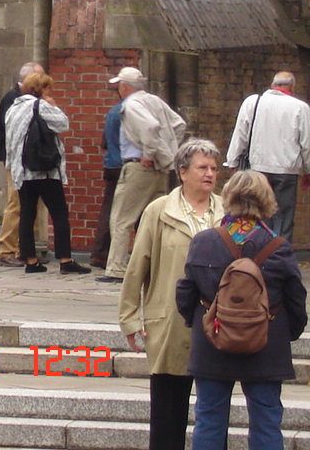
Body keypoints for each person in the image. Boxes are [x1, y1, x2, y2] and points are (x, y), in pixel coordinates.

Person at [177, 169, 306, 450]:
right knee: (266, 421)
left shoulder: (204, 242)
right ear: (267, 201)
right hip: (265, 347)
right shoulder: (278, 247)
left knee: (209, 420)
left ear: (229, 198)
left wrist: (199, 323)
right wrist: (284, 333)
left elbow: (185, 293)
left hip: (213, 343)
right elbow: (296, 299)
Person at [118, 139, 223, 450]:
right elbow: (137, 267)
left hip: (216, 323)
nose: (210, 174)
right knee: (167, 412)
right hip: (170, 320)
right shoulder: (159, 211)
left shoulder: (226, 210)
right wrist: (129, 318)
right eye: (202, 168)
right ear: (182, 172)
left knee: (213, 408)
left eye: (214, 169)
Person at [101, 66, 188, 283]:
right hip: (160, 168)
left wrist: (149, 153)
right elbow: (179, 124)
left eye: (119, 86)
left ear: (125, 86)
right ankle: (159, 265)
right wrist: (168, 151)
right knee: (156, 219)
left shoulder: (131, 105)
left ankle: (117, 268)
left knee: (121, 218)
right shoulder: (153, 101)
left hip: (138, 166)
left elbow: (150, 127)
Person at [3, 72, 90, 275]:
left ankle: (30, 261)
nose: (51, 92)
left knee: (27, 214)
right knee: (59, 212)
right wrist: (52, 104)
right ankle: (65, 260)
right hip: (44, 170)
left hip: (22, 171)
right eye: (49, 88)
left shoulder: (12, 109)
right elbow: (63, 123)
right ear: (40, 89)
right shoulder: (40, 106)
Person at [224, 71, 310, 239]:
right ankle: (280, 252)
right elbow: (307, 144)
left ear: (272, 84)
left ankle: (257, 250)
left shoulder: (253, 102)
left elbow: (240, 133)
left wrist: (232, 161)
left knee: (256, 212)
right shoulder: (300, 107)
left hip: (257, 169)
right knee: (283, 216)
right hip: (287, 171)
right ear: (292, 87)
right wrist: (308, 170)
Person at [0, 61, 45, 267]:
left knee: (26, 204)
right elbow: (11, 133)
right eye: (39, 78)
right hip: (16, 160)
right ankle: (6, 249)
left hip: (27, 160)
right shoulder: (13, 99)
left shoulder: (29, 99)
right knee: (15, 203)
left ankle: (23, 248)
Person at [90, 95, 125, 269]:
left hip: (111, 164)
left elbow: (104, 142)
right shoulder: (127, 112)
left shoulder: (112, 112)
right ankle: (104, 254)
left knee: (109, 208)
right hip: (123, 165)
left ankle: (100, 253)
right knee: (121, 213)